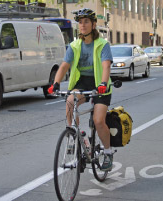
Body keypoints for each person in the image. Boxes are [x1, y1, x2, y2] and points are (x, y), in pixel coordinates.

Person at [48, 8, 114, 171]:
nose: (82, 25)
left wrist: (103, 84)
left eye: (86, 22)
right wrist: (55, 83)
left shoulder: (102, 44)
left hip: (100, 84)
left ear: (93, 24)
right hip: (83, 82)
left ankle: (108, 152)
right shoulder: (75, 45)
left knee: (99, 121)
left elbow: (106, 67)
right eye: (80, 22)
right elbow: (64, 66)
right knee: (70, 101)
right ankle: (74, 135)